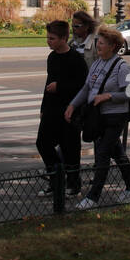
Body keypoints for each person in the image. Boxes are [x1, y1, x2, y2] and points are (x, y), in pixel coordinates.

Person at [65, 26, 130, 208]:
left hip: (115, 117)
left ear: (113, 46)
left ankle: (93, 196)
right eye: (98, 41)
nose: (98, 45)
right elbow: (87, 88)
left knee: (103, 153)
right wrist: (72, 105)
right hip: (98, 117)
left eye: (102, 43)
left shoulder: (122, 67)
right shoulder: (97, 63)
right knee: (117, 152)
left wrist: (109, 96)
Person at [36, 20, 87, 196]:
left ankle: (73, 184)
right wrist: (43, 107)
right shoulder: (52, 57)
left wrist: (60, 87)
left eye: (52, 38)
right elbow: (48, 83)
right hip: (51, 108)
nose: (48, 41)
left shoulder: (75, 59)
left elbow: (82, 86)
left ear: (64, 38)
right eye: (48, 38)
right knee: (42, 143)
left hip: (69, 110)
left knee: (70, 148)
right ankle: (56, 178)